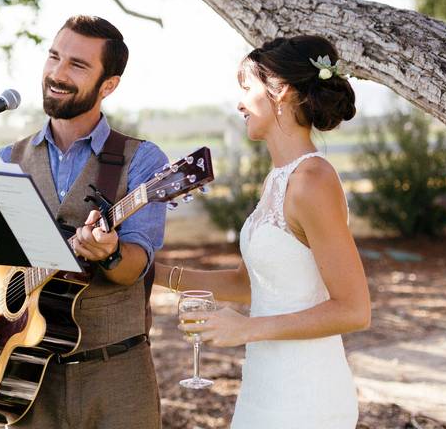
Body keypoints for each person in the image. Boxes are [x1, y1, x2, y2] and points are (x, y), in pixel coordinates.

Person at [0, 15, 168, 429]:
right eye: (54, 57)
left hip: (116, 375)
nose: (57, 73)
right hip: (24, 377)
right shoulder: (5, 162)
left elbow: (137, 263)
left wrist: (111, 252)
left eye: (77, 65)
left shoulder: (143, 161)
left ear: (109, 85)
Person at [156, 35, 370, 428]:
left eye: (247, 88)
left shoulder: (313, 179)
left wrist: (247, 328)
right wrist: (154, 275)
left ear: (282, 93)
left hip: (306, 395)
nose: (239, 102)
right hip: (266, 385)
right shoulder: (279, 180)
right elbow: (249, 284)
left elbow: (354, 309)